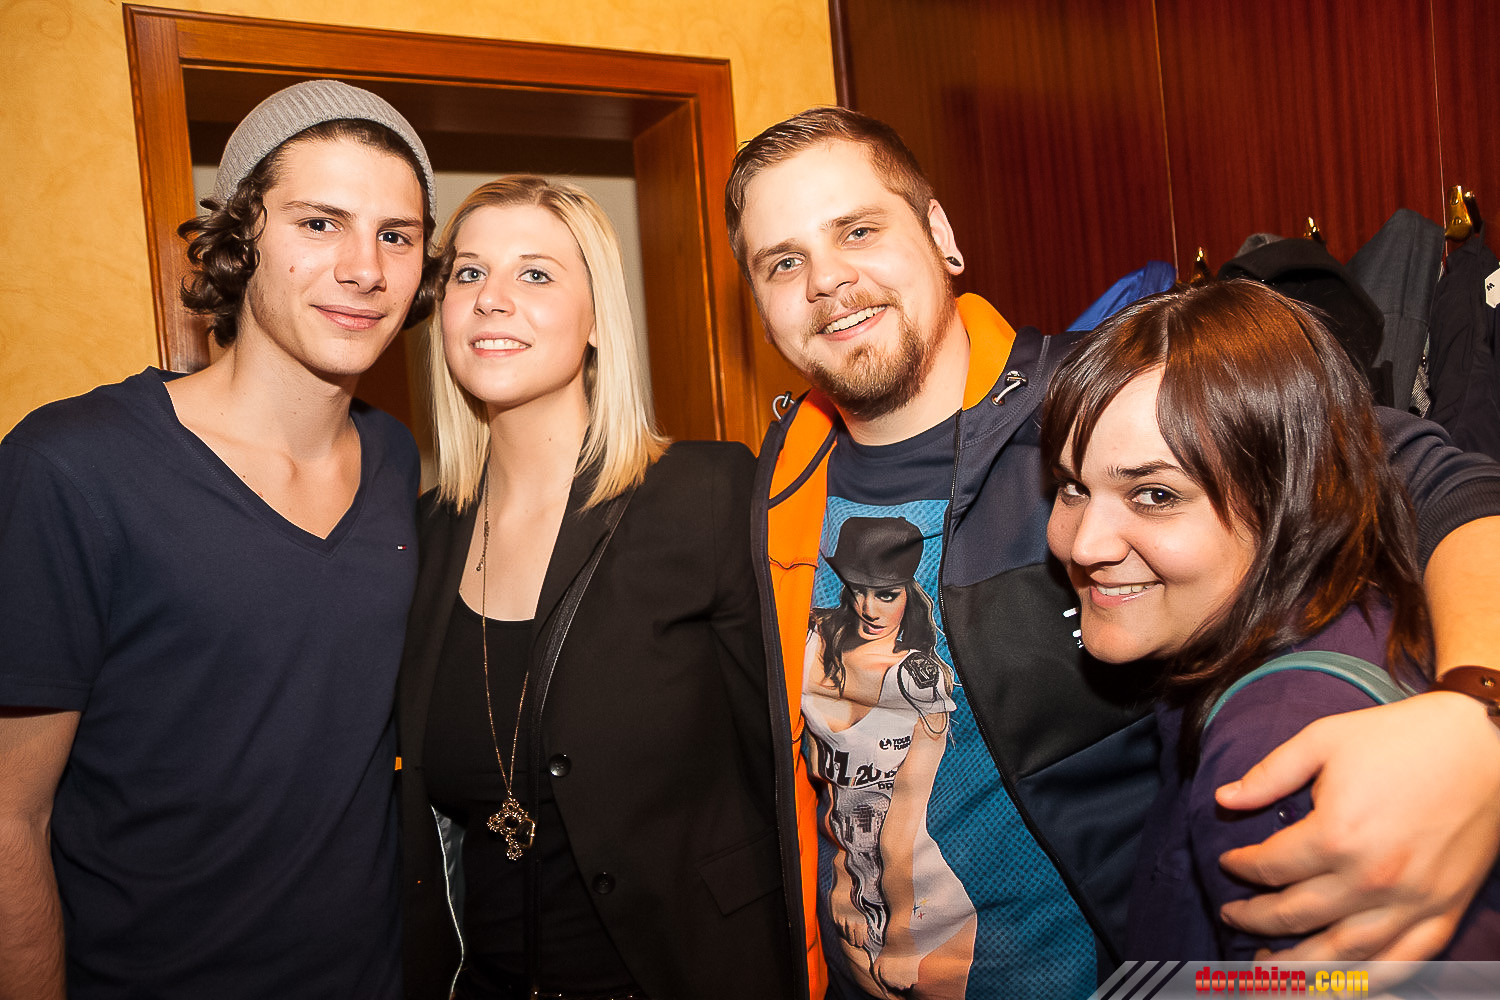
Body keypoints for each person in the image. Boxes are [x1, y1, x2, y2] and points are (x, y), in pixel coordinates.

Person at [723, 105, 1500, 998]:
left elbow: (1444, 486)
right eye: (784, 262)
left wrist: (1477, 710)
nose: (828, 279)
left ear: (940, 235)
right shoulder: (779, 478)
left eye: (858, 230)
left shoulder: (1110, 403)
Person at [0, 79, 441, 998]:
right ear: (241, 236)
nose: (365, 268)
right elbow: (9, 815)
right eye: (320, 223)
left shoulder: (396, 458)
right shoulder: (74, 466)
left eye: (396, 236)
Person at [397, 176, 795, 1000]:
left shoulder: (708, 495)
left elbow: (786, 764)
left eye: (535, 273)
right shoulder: (418, 537)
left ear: (595, 320)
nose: (492, 298)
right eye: (469, 273)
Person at [1041, 279, 1500, 959]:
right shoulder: (1346, 608)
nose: (1084, 546)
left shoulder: (1273, 754)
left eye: (1155, 495)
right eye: (1074, 488)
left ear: (1288, 499)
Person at [803, 515, 976, 998]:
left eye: (886, 594)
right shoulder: (813, 642)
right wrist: (843, 884)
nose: (868, 608)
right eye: (858, 590)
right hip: (853, 898)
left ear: (908, 594)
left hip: (922, 902)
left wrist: (901, 934)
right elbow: (832, 792)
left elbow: (904, 816)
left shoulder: (919, 679)